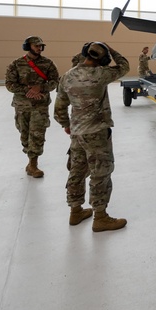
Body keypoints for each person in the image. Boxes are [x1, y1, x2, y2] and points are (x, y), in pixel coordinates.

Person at [54, 41, 131, 232]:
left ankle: (75, 211)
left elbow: (59, 108)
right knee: (100, 172)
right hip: (96, 133)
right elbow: (124, 66)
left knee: (77, 170)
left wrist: (66, 124)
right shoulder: (101, 74)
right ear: (103, 59)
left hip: (77, 133)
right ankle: (101, 217)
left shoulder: (67, 76)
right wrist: (110, 48)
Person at [5, 35, 59, 178]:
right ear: (28, 47)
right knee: (24, 134)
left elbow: (55, 81)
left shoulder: (48, 64)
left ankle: (33, 164)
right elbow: (9, 84)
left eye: (41, 46)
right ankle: (30, 161)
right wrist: (28, 90)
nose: (39, 48)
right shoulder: (16, 64)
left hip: (40, 106)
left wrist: (40, 88)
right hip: (22, 106)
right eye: (36, 46)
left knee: (37, 134)